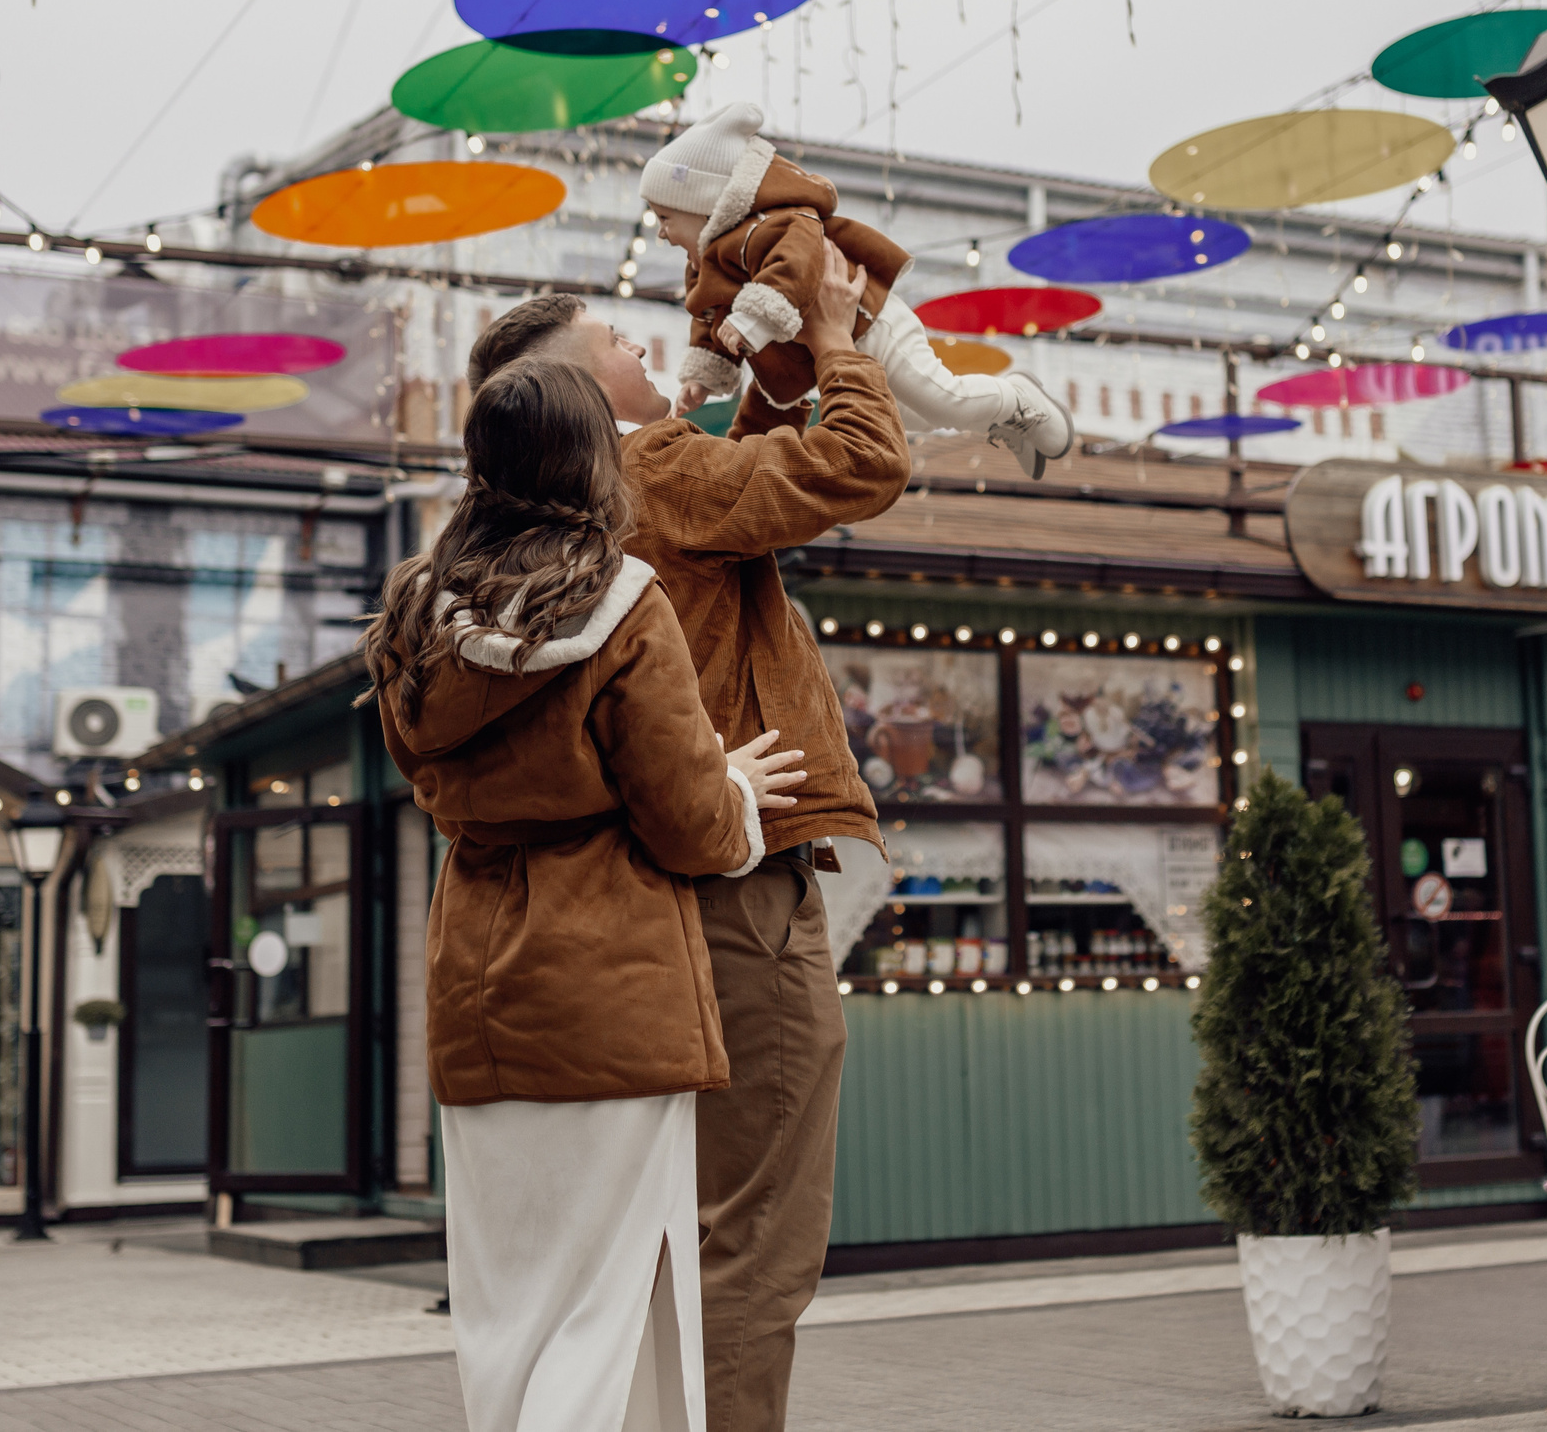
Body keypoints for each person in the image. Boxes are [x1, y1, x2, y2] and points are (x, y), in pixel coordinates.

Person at [467, 247, 907, 1432]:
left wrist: (770, 374)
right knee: (755, 1233)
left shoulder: (529, 528)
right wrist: (837, 339)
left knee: (673, 1239)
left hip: (620, 916)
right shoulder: (653, 465)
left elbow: (748, 473)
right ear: (587, 397)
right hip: (740, 880)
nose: (647, 348)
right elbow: (865, 462)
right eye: (618, 342)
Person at [365, 356, 807, 1432]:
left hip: (474, 989)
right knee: (608, 1312)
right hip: (616, 992)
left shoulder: (413, 611)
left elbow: (427, 780)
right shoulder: (621, 602)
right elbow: (688, 824)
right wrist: (736, 786)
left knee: (507, 1310)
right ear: (592, 463)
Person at [645, 100, 1074, 479]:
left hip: (872, 323)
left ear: (704, 204)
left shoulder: (773, 226)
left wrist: (754, 319)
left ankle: (1018, 399)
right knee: (910, 417)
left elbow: (795, 266)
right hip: (837, 353)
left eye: (665, 217)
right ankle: (998, 420)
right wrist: (705, 375)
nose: (661, 232)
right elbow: (707, 318)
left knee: (941, 398)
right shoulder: (703, 266)